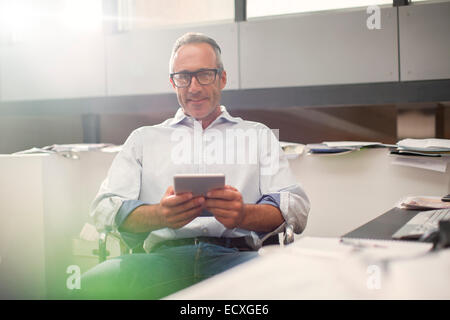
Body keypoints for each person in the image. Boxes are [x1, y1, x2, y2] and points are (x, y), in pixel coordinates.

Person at [79, 32, 310, 299]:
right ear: (173, 83)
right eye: (183, 77)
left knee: (299, 288)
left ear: (222, 78)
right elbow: (104, 208)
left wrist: (242, 215)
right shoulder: (143, 139)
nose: (194, 87)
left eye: (204, 74)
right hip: (160, 262)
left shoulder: (258, 136)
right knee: (86, 287)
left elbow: (296, 208)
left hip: (237, 259)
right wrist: (160, 215)